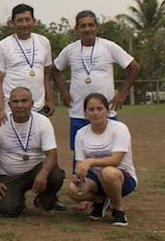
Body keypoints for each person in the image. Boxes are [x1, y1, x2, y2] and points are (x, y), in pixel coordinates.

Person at [52, 10, 140, 163]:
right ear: (76, 29)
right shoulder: (70, 50)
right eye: (83, 26)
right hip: (79, 111)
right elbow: (54, 69)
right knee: (79, 150)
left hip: (106, 111)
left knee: (110, 149)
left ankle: (108, 183)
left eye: (91, 25)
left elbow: (134, 66)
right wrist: (63, 91)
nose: (87, 29)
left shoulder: (108, 46)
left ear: (97, 27)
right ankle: (80, 184)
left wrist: (123, 92)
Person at [0, 87, 64, 217]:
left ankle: (43, 201)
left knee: (55, 174)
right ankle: (18, 200)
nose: (20, 105)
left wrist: (44, 174)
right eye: (15, 101)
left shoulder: (43, 122)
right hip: (10, 175)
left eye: (24, 101)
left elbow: (51, 153)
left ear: (32, 103)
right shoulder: (0, 123)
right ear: (9, 105)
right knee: (6, 210)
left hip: (36, 170)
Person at [67, 93, 137, 226]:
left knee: (108, 173)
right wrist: (78, 175)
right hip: (96, 180)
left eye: (100, 109)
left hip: (121, 178)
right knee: (73, 191)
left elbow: (116, 160)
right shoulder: (81, 133)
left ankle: (118, 210)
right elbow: (80, 163)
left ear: (107, 110)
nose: (95, 113)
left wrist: (90, 161)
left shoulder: (119, 128)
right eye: (91, 109)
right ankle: (100, 201)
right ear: (85, 112)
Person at [0, 4, 54, 123]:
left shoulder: (44, 42)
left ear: (34, 21)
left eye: (27, 20)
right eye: (20, 20)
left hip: (38, 107)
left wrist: (50, 100)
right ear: (12, 23)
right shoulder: (3, 45)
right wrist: (0, 110)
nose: (24, 24)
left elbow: (46, 74)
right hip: (12, 109)